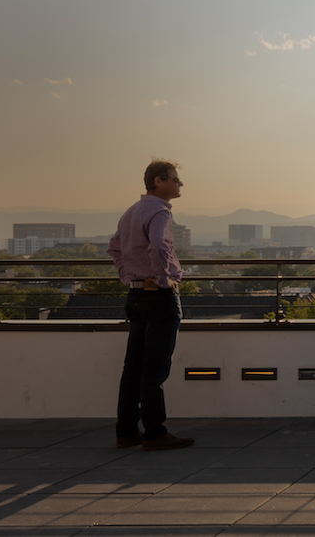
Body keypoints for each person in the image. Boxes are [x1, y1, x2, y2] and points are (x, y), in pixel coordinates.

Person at [108, 159, 194, 451]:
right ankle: (155, 433)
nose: (180, 184)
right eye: (175, 179)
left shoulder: (132, 211)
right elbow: (158, 246)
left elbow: (114, 247)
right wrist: (163, 279)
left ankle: (127, 431)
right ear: (159, 181)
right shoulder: (158, 211)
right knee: (155, 369)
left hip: (135, 296)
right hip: (158, 297)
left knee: (132, 367)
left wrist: (128, 277)